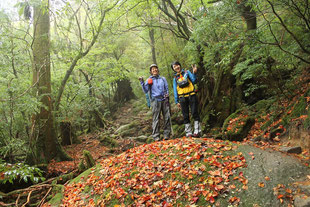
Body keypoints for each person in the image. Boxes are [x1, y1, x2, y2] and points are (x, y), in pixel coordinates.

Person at [139, 64, 171, 141]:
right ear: (151, 71)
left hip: (164, 99)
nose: (154, 70)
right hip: (155, 101)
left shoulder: (163, 79)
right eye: (153, 69)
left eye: (155, 68)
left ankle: (166, 134)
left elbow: (166, 88)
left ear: (158, 70)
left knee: (167, 117)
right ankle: (156, 136)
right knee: (156, 118)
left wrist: (167, 95)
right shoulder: (149, 80)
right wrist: (142, 82)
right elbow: (145, 91)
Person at [171, 61, 201, 137]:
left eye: (177, 65)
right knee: (185, 115)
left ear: (179, 65)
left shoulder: (186, 72)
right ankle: (188, 132)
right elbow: (175, 89)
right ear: (173, 69)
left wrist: (194, 73)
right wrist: (176, 101)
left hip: (191, 95)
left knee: (194, 112)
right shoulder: (175, 78)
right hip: (182, 97)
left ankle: (197, 131)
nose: (176, 67)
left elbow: (194, 81)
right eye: (174, 67)